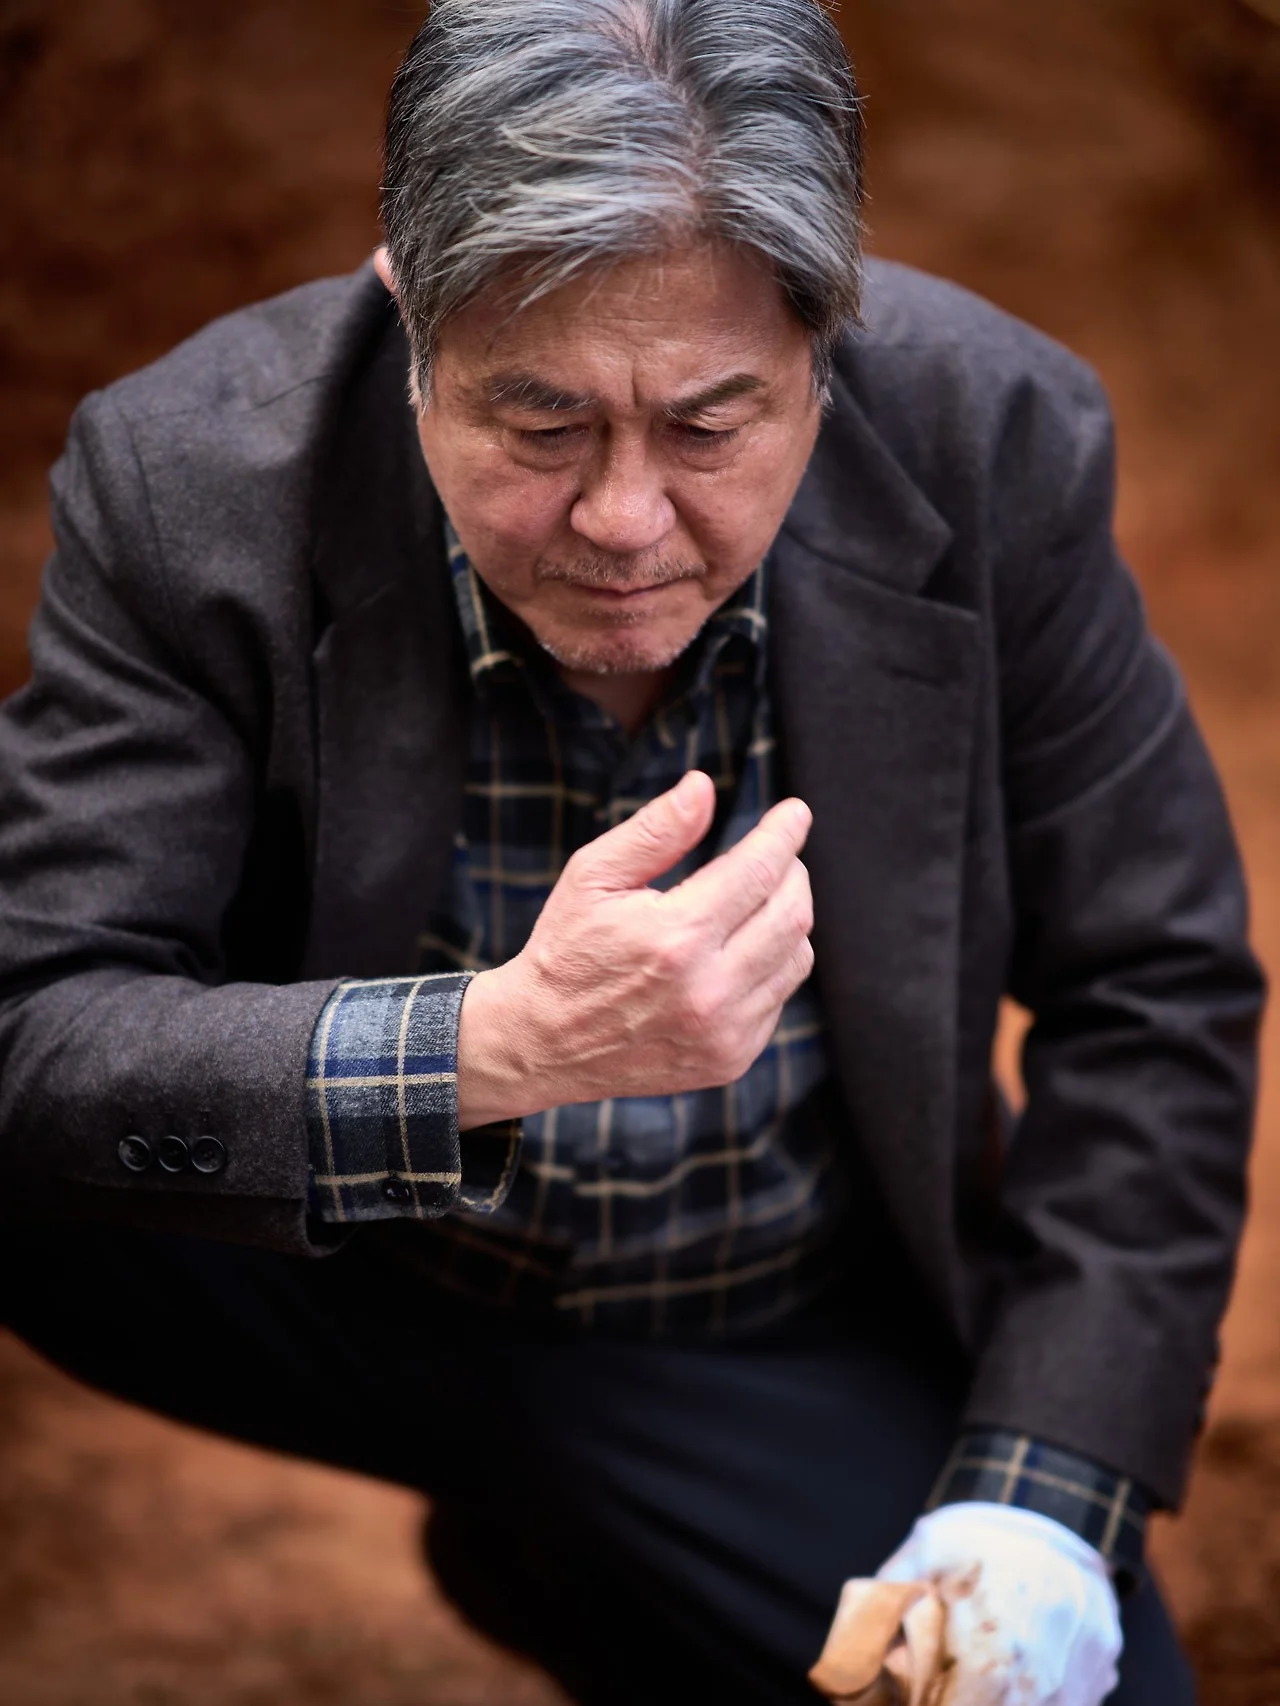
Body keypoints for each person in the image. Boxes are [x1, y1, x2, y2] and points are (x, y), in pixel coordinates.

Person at [0, 1, 1263, 1700]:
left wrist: (1044, 1503)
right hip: (302, 1269)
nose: (621, 521)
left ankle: (571, 1522)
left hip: (760, 1327)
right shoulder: (193, 476)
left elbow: (1155, 988)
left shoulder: (996, 437)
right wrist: (486, 1049)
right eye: (539, 427)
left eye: (709, 428)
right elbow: (34, 1017)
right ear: (406, 308)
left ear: (829, 341)